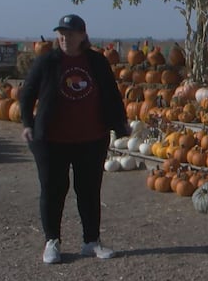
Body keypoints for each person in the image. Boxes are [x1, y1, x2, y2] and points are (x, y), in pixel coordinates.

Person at [18, 14, 129, 264]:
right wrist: (27, 123)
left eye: (69, 33)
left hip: (91, 138)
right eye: (61, 33)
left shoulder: (97, 62)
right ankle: (52, 241)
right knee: (53, 190)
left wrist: (120, 122)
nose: (64, 38)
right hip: (51, 139)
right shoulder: (47, 61)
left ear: (82, 35)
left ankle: (91, 241)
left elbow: (111, 94)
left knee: (89, 191)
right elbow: (27, 94)